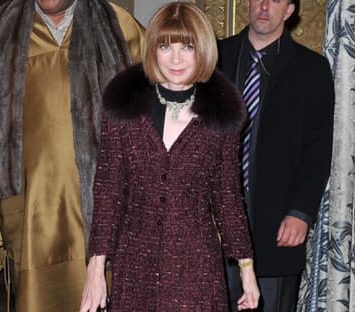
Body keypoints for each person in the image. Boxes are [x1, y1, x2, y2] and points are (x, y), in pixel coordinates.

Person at [80, 2, 260, 312]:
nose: (175, 58)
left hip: (197, 269)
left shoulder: (221, 119)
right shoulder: (123, 110)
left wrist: (247, 269)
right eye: (165, 46)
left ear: (202, 50)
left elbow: (228, 196)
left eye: (187, 47)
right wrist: (95, 270)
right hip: (135, 265)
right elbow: (109, 189)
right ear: (153, 50)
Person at [0, 0, 144, 311]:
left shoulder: (120, 28)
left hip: (104, 219)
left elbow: (158, 114)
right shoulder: (2, 33)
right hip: (31, 218)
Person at [217, 0, 334, 311]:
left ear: (290, 10)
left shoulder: (313, 69)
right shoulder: (212, 58)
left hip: (275, 231)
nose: (265, 5)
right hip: (212, 230)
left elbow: (318, 149)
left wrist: (301, 212)